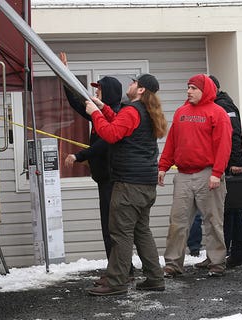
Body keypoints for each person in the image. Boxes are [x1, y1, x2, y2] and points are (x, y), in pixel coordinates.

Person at [86, 73, 168, 296]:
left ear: (140, 90)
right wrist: (103, 108)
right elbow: (121, 124)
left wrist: (94, 114)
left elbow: (111, 134)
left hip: (129, 185)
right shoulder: (145, 112)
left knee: (120, 234)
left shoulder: (132, 110)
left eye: (133, 83)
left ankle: (116, 282)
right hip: (145, 184)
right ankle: (154, 278)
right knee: (142, 232)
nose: (129, 86)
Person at [158, 74, 232, 277]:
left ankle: (216, 263)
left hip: (208, 174)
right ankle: (173, 264)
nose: (189, 91)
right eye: (188, 87)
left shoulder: (218, 113)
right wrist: (163, 166)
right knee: (177, 222)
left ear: (205, 90)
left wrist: (217, 173)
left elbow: (224, 146)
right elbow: (172, 142)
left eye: (193, 88)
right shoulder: (181, 112)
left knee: (213, 221)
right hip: (183, 175)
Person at [59, 52, 121, 260]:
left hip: (113, 180)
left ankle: (121, 270)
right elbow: (77, 103)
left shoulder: (117, 116)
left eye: (99, 89)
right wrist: (64, 73)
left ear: (110, 92)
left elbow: (105, 143)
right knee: (107, 227)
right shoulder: (99, 114)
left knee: (114, 228)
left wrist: (78, 156)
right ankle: (116, 269)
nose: (96, 92)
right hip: (103, 179)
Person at [187, 75, 242, 267]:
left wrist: (236, 161)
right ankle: (237, 253)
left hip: (230, 165)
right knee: (232, 211)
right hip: (226, 164)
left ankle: (224, 254)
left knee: (227, 211)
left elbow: (234, 134)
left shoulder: (224, 106)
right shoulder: (219, 104)